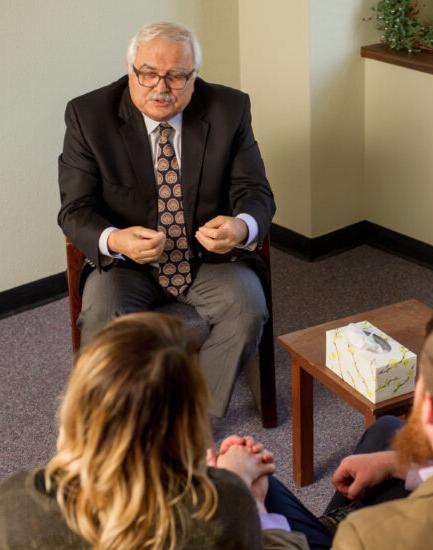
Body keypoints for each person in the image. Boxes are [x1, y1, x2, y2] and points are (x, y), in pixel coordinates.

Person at [57, 21, 275, 417]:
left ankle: (194, 420)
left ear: (194, 78)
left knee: (248, 310)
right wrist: (116, 240)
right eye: (149, 74)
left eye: (177, 76)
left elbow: (256, 192)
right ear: (131, 72)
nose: (161, 87)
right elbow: (75, 209)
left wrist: (241, 226)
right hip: (125, 265)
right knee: (101, 319)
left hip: (206, 259)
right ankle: (120, 424)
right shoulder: (89, 116)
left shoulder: (230, 109)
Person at [231, 311, 433, 549]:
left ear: (429, 409)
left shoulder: (370, 536)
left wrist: (250, 505)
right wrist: (396, 463)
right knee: (387, 428)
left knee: (254, 485)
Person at [0, 312, 306, 549]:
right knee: (272, 488)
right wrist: (249, 497)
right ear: (189, 423)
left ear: (77, 402)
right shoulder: (222, 505)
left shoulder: (16, 503)